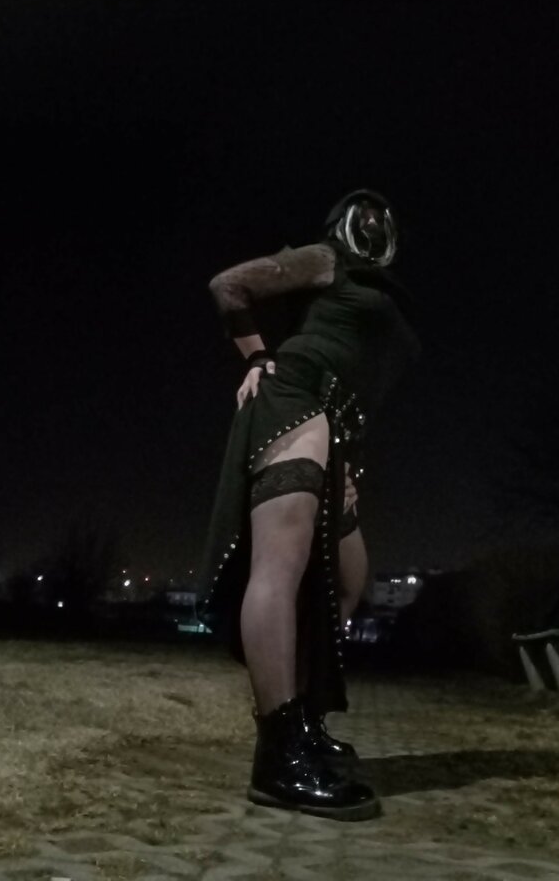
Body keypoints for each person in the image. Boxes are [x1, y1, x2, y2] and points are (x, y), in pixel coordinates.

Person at [200, 189, 420, 821]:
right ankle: (279, 756)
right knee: (280, 566)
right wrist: (259, 357)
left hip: (337, 430)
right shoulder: (327, 260)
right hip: (297, 401)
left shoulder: (380, 291)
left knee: (349, 579)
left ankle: (304, 721)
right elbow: (229, 286)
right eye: (361, 213)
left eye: (383, 215)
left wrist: (348, 459)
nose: (374, 220)